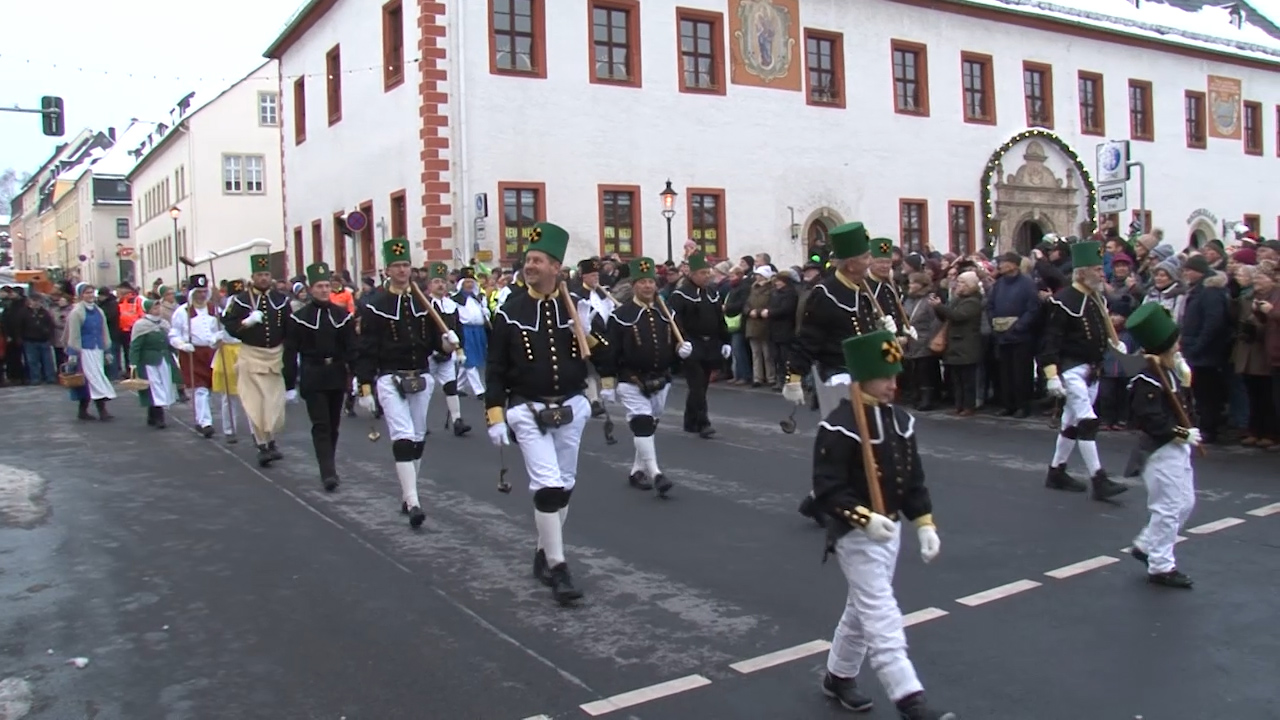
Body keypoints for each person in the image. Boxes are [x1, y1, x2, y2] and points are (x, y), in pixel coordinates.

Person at [811, 330, 955, 720]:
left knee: (861, 608)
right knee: (880, 612)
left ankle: (838, 676)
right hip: (855, 535)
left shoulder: (901, 421)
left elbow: (913, 479)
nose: (893, 385)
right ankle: (910, 698)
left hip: (889, 530)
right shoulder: (840, 425)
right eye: (885, 377)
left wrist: (924, 523)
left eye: (895, 376)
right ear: (863, 378)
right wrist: (863, 518)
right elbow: (826, 488)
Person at [485, 222, 614, 604]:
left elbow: (604, 357)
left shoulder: (575, 307)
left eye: (539, 260)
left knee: (566, 483)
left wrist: (589, 333)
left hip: (571, 405)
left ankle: (543, 551)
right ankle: (559, 566)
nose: (531, 266)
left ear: (556, 267)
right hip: (527, 407)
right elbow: (495, 368)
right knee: (548, 485)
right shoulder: (510, 312)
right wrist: (495, 414)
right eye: (528, 260)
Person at [783, 222, 894, 524]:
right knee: (846, 439)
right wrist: (794, 376)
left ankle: (821, 498)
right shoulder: (826, 293)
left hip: (863, 373)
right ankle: (837, 500)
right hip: (836, 373)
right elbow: (808, 338)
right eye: (865, 256)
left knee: (862, 440)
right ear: (850, 262)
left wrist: (888, 340)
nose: (870, 261)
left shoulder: (864, 288)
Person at [354, 240, 451, 528]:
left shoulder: (424, 303)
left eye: (406, 265)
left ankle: (408, 494)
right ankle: (415, 502)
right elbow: (367, 349)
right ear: (387, 270)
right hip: (390, 377)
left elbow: (435, 342)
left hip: (420, 375)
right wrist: (365, 386)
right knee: (403, 436)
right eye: (397, 266)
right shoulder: (376, 307)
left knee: (418, 438)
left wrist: (446, 345)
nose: (402, 270)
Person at [1039, 240, 1128, 501]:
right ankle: (1099, 479)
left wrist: (1114, 342)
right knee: (1088, 421)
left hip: (1092, 370)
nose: (1102, 274)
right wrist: (1051, 374)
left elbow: (1102, 330)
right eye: (1097, 270)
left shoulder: (1096, 298)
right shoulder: (1063, 301)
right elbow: (1050, 340)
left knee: (1072, 423)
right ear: (1082, 272)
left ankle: (1056, 471)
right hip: (1072, 370)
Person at [1123, 302, 1201, 589]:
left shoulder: (1169, 372)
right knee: (1167, 507)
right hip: (1158, 451)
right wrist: (1183, 432)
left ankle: (1146, 545)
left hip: (1176, 447)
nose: (1179, 346)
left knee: (1185, 503)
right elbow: (1150, 419)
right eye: (1175, 343)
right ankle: (1161, 565)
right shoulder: (1147, 378)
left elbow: (1182, 405)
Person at [602, 256, 690, 496]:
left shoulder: (666, 311)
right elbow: (611, 351)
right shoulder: (621, 315)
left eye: (651, 282)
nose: (648, 286)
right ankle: (656, 473)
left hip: (662, 378)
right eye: (642, 282)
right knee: (641, 422)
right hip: (631, 379)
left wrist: (681, 349)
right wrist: (608, 381)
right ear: (634, 286)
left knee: (649, 426)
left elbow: (677, 335)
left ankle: (636, 471)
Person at [285, 262, 358, 492]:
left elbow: (351, 348)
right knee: (321, 425)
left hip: (336, 373)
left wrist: (357, 375)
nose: (324, 290)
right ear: (310, 289)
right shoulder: (300, 317)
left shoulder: (342, 315)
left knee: (334, 424)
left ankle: (330, 463)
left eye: (327, 286)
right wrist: (289, 383)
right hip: (313, 374)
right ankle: (327, 471)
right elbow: (290, 351)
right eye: (319, 286)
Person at [222, 254, 295, 467]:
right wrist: (246, 323)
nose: (263, 278)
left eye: (266, 274)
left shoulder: (281, 300)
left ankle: (271, 439)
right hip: (251, 355)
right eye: (259, 274)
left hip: (275, 355)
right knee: (255, 402)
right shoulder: (241, 300)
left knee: (273, 403)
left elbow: (289, 329)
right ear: (252, 276)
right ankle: (262, 444)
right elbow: (228, 323)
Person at [666, 250, 731, 438]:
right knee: (696, 384)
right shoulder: (681, 294)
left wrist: (725, 340)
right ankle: (703, 422)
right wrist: (681, 342)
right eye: (702, 273)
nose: (707, 276)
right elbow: (674, 321)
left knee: (702, 384)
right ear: (692, 274)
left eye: (708, 272)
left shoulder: (712, 292)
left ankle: (690, 420)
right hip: (692, 343)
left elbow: (720, 318)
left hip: (710, 344)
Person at [169, 274, 222, 438]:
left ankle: (205, 418)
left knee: (213, 388)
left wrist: (218, 337)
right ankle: (205, 422)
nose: (201, 295)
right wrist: (182, 345)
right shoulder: (182, 312)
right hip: (192, 353)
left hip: (212, 352)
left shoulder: (214, 310)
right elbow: (173, 334)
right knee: (200, 389)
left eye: (204, 291)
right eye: (198, 292)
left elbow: (222, 329)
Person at [425, 261, 469, 437]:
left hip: (447, 353)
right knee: (424, 390)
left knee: (451, 386)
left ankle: (457, 420)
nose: (441, 285)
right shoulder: (425, 305)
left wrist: (460, 349)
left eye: (443, 281)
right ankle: (420, 422)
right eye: (436, 281)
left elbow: (458, 328)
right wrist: (433, 348)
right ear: (430, 285)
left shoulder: (451, 306)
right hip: (429, 354)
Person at [571, 257, 617, 416]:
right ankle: (594, 399)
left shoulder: (603, 293)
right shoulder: (576, 295)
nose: (595, 279)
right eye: (592, 276)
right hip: (587, 334)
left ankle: (601, 394)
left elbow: (609, 312)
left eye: (597, 276)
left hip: (604, 332)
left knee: (603, 360)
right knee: (590, 366)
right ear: (584, 277)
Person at [65, 282, 117, 420]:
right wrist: (73, 353)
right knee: (90, 379)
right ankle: (100, 410)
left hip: (97, 349)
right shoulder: (77, 312)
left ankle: (85, 411)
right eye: (87, 293)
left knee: (96, 377)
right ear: (81, 295)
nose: (90, 295)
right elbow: (74, 334)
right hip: (84, 350)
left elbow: (104, 331)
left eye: (92, 292)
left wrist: (107, 349)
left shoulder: (99, 311)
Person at [129, 298, 182, 429]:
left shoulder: (164, 323)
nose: (157, 310)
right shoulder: (141, 325)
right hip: (149, 362)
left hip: (164, 359)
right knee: (155, 387)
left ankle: (152, 415)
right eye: (154, 308)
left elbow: (170, 341)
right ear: (148, 310)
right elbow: (135, 346)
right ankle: (159, 417)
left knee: (165, 386)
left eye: (158, 308)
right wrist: (133, 363)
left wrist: (177, 351)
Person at [212, 279, 245, 444]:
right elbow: (212, 337)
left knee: (251, 394)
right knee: (229, 395)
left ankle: (258, 431)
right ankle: (229, 428)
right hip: (227, 352)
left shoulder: (250, 312)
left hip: (246, 352)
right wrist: (217, 338)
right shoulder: (221, 315)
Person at [453, 267, 490, 397]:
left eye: (471, 282)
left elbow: (483, 313)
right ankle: (479, 390)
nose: (469, 285)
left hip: (478, 331)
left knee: (469, 361)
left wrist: (486, 312)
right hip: (465, 331)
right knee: (470, 361)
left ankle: (458, 386)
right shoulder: (455, 300)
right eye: (466, 282)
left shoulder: (478, 298)